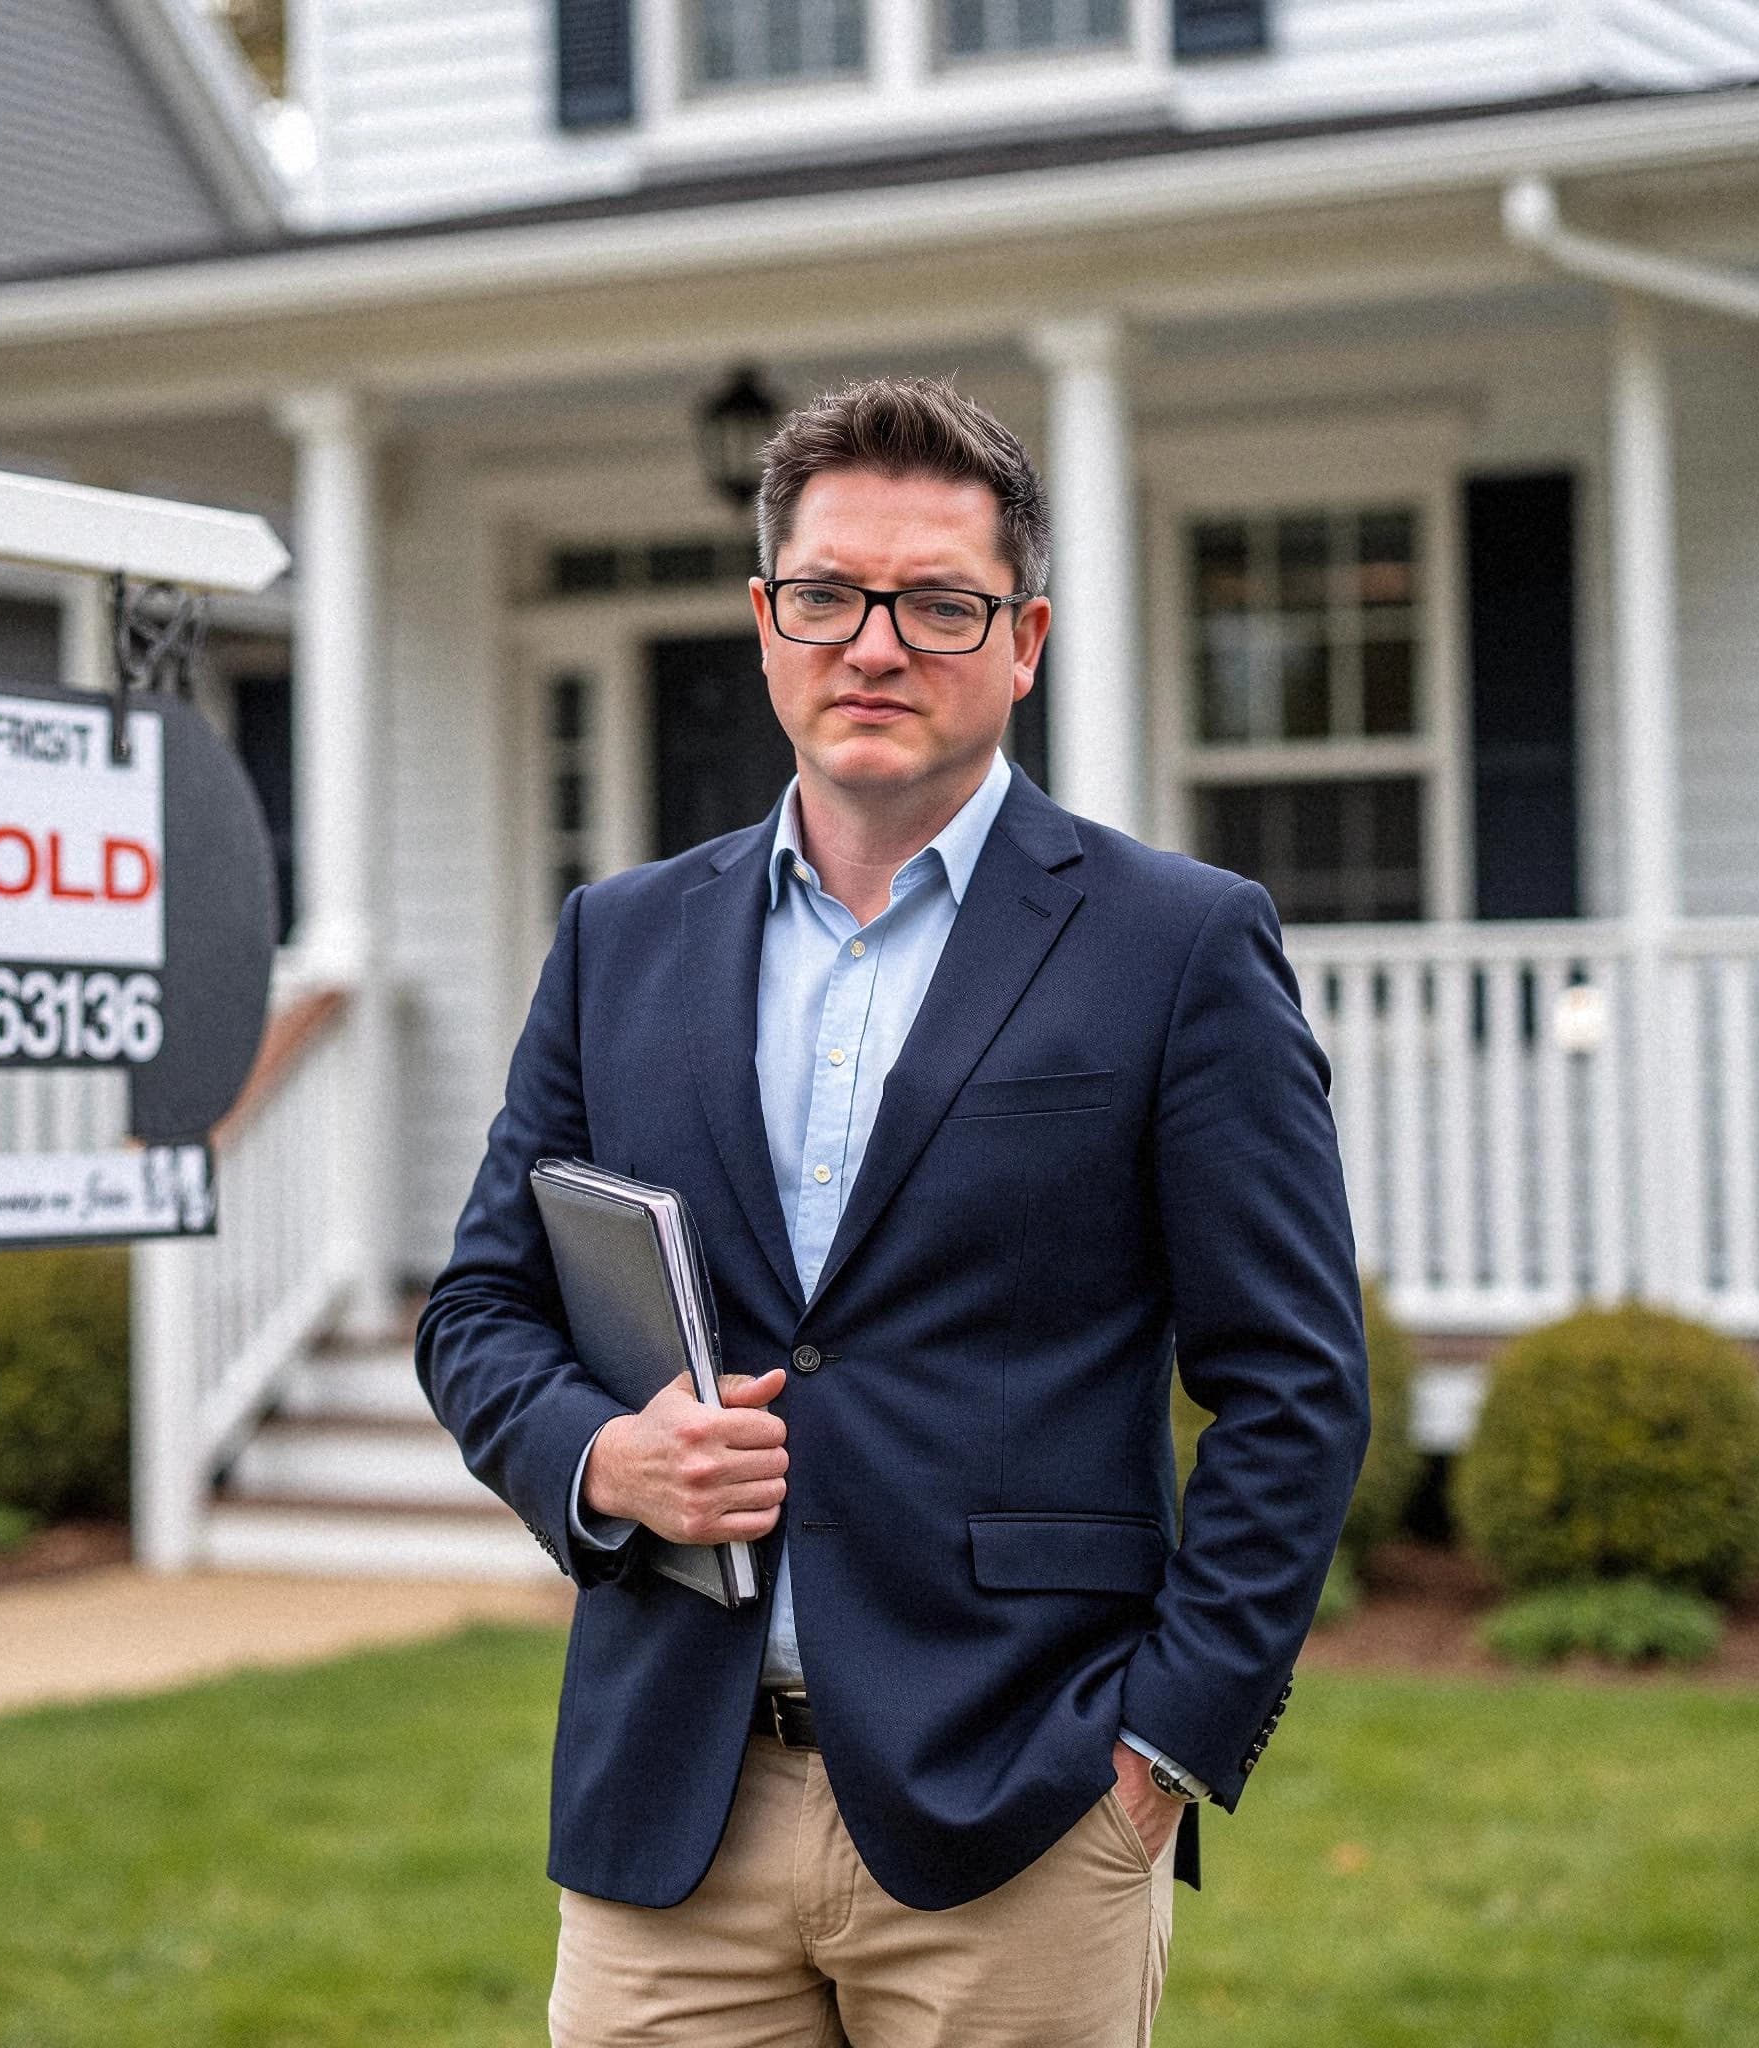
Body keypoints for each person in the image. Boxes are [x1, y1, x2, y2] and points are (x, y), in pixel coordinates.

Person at [416, 376, 1368, 2048]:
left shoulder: (1177, 946)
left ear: (1025, 639)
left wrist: (1159, 1758)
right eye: (829, 596)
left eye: (940, 603)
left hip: (1022, 1812)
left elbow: (1295, 1385)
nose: (876, 643)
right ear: (767, 622)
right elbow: (480, 1307)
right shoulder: (617, 942)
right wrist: (601, 1461)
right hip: (670, 1815)